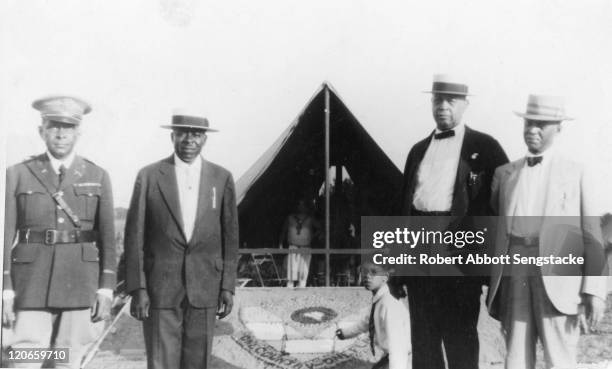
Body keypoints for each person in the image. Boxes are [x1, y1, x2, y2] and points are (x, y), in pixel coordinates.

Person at [487, 94, 607, 369]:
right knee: (515, 358)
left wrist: (595, 290)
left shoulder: (576, 173)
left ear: (559, 127)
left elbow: (592, 233)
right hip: (515, 269)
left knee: (560, 358)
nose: (532, 129)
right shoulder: (504, 175)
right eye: (529, 122)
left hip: (560, 277)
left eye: (541, 124)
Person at [399, 74, 508, 369]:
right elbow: (404, 210)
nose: (443, 106)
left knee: (460, 338)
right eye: (437, 100)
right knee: (423, 340)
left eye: (451, 100)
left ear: (465, 104)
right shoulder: (417, 151)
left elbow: (503, 208)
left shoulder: (486, 148)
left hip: (459, 258)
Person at [2, 96, 116, 368]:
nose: (61, 133)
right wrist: (5, 291)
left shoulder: (97, 175)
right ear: (41, 130)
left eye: (68, 127)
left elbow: (108, 239)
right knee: (25, 357)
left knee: (67, 358)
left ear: (79, 132)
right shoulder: (18, 174)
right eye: (54, 126)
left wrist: (106, 289)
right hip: (30, 283)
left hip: (79, 282)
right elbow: (4, 236)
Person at [124, 110, 239, 369]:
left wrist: (227, 286)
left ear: (205, 140)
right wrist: (138, 288)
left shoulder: (221, 178)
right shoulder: (150, 176)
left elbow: (231, 237)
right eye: (183, 133)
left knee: (198, 362)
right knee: (162, 362)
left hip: (205, 288)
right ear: (172, 136)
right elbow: (134, 236)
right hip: (159, 289)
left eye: (197, 134)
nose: (190, 140)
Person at [336, 262, 411, 369]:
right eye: (365, 272)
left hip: (403, 360)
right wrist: (344, 333)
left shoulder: (389, 304)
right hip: (391, 356)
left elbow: (398, 347)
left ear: (385, 278)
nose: (367, 276)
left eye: (374, 272)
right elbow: (365, 322)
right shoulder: (380, 299)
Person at [278, 198, 321, 287]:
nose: (301, 207)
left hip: (306, 247)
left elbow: (321, 228)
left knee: (303, 270)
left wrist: (314, 236)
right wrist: (280, 244)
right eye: (299, 205)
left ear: (306, 207)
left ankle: (302, 286)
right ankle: (289, 287)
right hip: (293, 247)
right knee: (291, 270)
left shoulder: (310, 219)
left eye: (303, 205)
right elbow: (283, 231)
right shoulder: (290, 218)